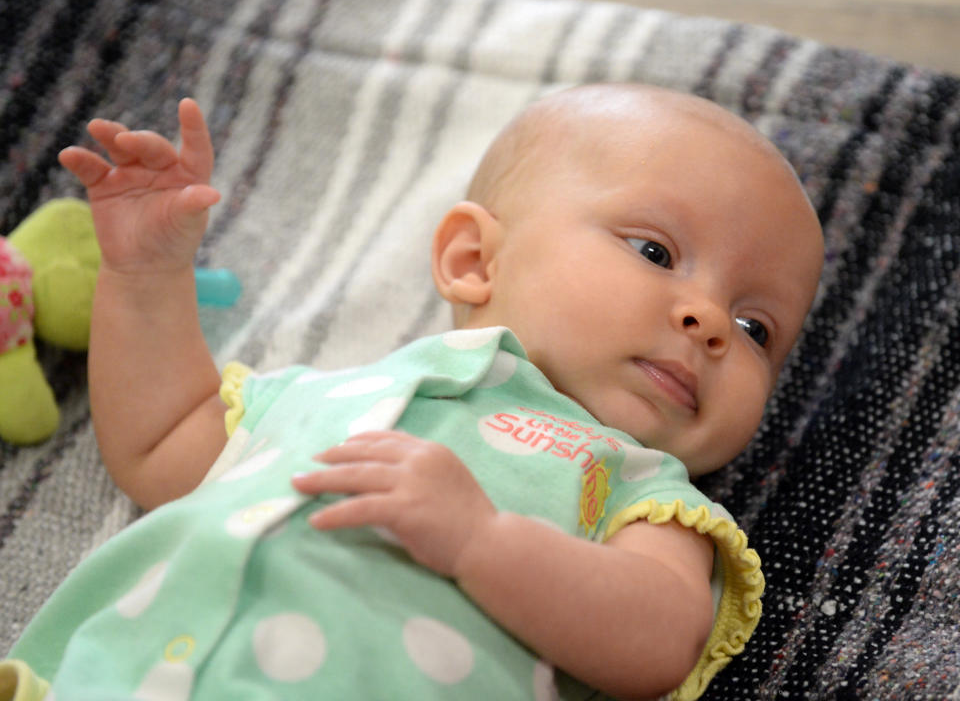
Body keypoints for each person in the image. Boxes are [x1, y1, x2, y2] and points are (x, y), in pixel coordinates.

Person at [2, 83, 823, 700]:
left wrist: (481, 543)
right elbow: (161, 441)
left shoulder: (643, 494)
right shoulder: (331, 393)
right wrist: (144, 276)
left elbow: (658, 640)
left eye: (757, 330)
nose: (710, 318)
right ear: (474, 261)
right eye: (655, 251)